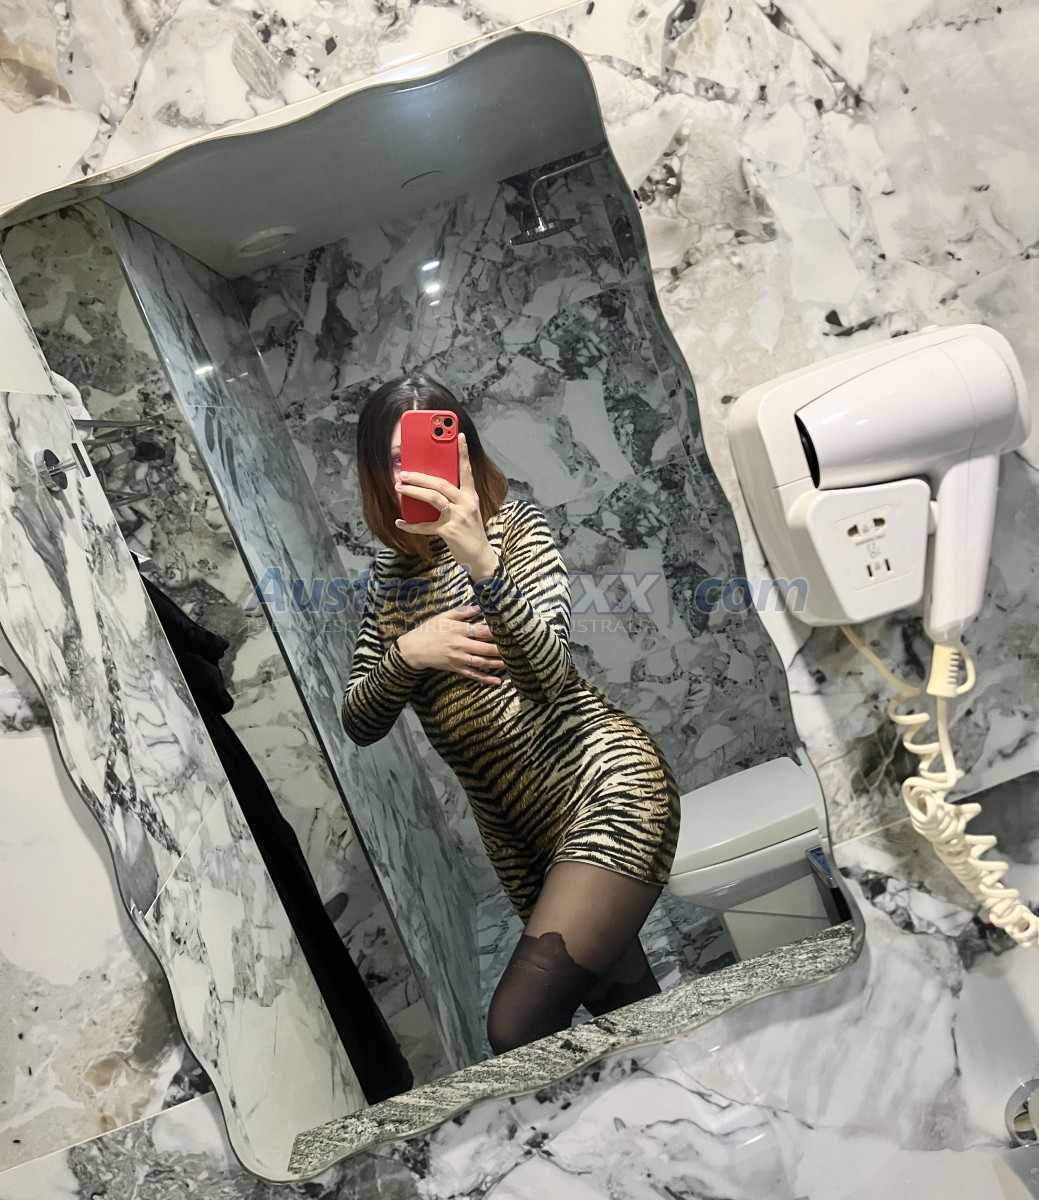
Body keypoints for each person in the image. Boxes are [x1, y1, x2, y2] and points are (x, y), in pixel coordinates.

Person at [341, 372, 680, 1055]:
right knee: (626, 1009)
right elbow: (359, 720)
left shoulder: (516, 531)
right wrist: (409, 653)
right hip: (516, 834)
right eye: (396, 459)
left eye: (429, 452)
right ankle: (700, 1102)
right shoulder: (389, 580)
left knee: (516, 1025)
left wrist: (480, 560)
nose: (414, 473)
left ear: (463, 453)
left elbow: (547, 675)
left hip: (603, 786)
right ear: (376, 472)